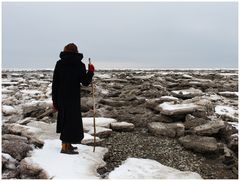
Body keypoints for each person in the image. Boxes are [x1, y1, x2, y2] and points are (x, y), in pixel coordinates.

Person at [52, 43, 95, 154]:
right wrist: (90, 72)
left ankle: (67, 144)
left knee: (65, 120)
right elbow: (85, 82)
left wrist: (54, 100)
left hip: (61, 96)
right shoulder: (79, 64)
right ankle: (65, 147)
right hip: (73, 97)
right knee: (72, 121)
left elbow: (55, 83)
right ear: (76, 51)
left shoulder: (59, 64)